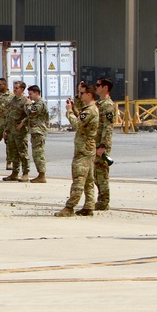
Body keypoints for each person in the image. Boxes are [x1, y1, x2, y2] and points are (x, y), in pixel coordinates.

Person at [55, 84, 99, 216]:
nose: (80, 96)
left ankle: (70, 207)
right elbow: (81, 119)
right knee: (89, 178)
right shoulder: (88, 109)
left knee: (79, 177)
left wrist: (68, 111)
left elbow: (77, 124)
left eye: (82, 93)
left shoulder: (90, 110)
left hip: (84, 148)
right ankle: (89, 205)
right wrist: (74, 108)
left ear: (89, 94)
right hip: (88, 147)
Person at [85, 77, 116, 209]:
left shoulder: (108, 105)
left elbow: (108, 127)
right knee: (95, 174)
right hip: (94, 143)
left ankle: (104, 201)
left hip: (101, 145)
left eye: (98, 85)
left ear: (105, 87)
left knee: (101, 174)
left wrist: (103, 145)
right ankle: (101, 199)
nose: (96, 87)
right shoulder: (98, 104)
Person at [2, 81, 30, 182]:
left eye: (17, 88)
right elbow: (8, 116)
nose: (14, 89)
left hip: (20, 131)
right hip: (11, 130)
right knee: (13, 153)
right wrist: (5, 130)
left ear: (22, 89)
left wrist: (22, 124)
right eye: (14, 87)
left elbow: (29, 115)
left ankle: (25, 173)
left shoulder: (25, 101)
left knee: (23, 153)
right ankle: (14, 173)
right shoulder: (12, 100)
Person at [22, 84, 49, 183]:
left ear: (37, 93)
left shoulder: (39, 104)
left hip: (39, 131)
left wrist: (27, 103)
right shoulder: (36, 103)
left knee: (39, 154)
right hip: (35, 131)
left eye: (31, 94)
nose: (30, 96)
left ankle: (42, 175)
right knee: (36, 153)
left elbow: (30, 112)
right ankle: (40, 174)